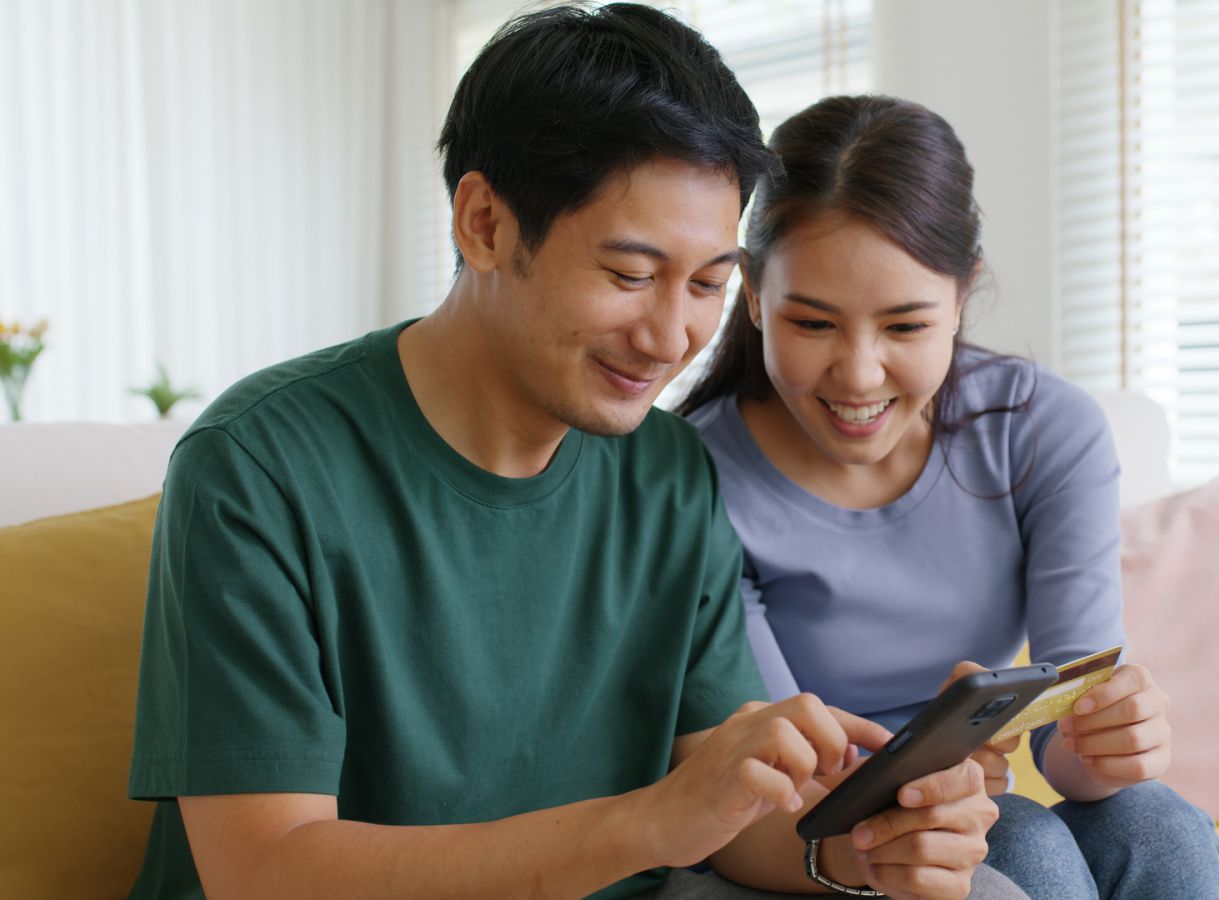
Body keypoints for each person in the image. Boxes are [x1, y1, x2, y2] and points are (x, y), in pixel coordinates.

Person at [125, 8, 1023, 899]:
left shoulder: (666, 475)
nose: (673, 336)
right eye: (630, 275)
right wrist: (647, 822)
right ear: (482, 223)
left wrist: (857, 849)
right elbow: (264, 869)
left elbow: (733, 812)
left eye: (709, 283)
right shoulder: (259, 467)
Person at [679, 94, 1219, 898]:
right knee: (1026, 844)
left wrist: (1110, 738)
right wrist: (928, 773)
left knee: (1160, 824)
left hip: (974, 797)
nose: (860, 374)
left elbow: (1068, 760)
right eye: (814, 325)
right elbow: (772, 780)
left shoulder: (1045, 431)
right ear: (755, 294)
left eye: (905, 327)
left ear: (962, 297)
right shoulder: (695, 479)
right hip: (808, 830)